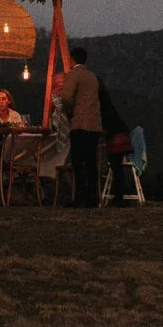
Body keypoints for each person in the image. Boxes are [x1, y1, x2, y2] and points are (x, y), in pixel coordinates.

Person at [57, 45, 103, 207]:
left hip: (80, 124)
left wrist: (69, 113)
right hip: (94, 125)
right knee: (91, 163)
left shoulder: (73, 75)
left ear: (72, 59)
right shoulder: (92, 77)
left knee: (78, 162)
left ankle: (80, 197)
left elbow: (67, 98)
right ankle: (93, 197)